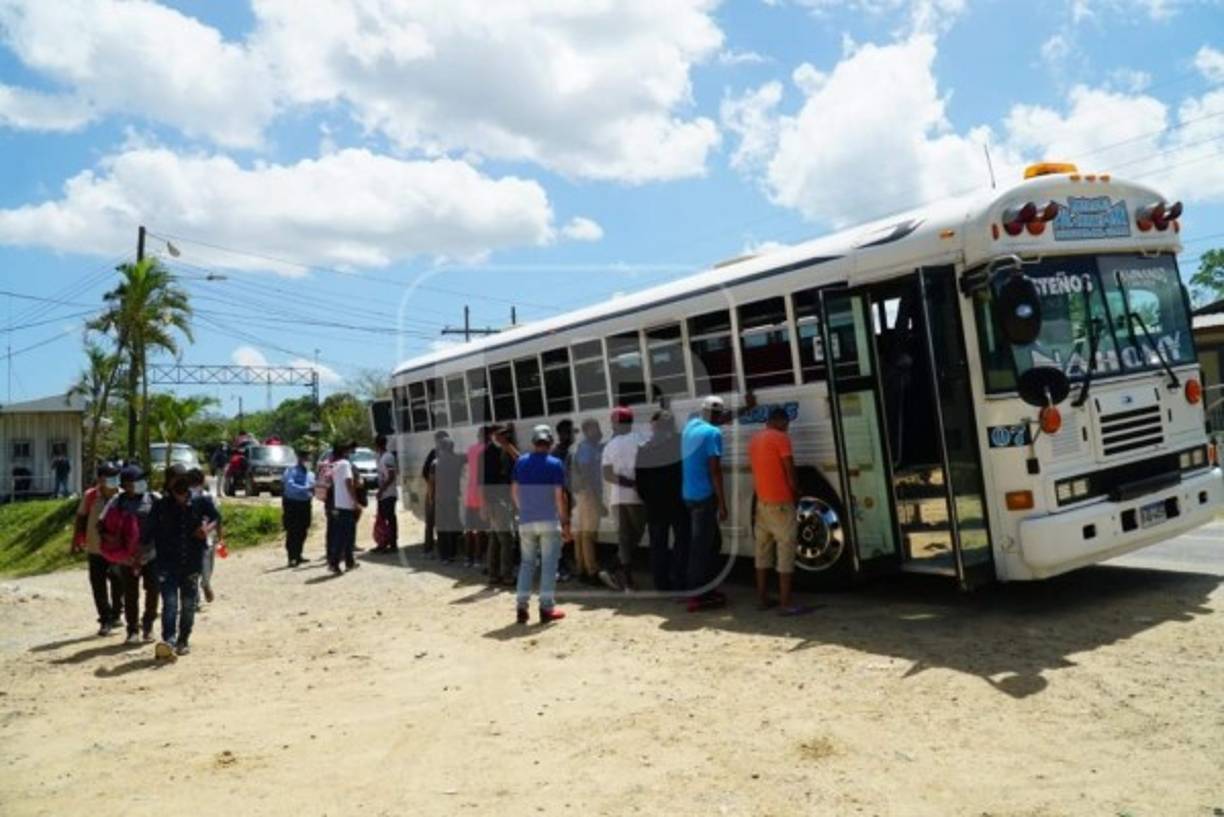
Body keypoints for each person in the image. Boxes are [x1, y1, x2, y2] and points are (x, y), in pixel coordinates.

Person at [147, 464, 219, 660]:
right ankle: (168, 641)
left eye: (183, 480)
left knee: (188, 604)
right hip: (167, 563)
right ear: (169, 484)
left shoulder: (201, 501)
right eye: (176, 480)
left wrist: (207, 529)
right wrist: (136, 556)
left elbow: (216, 518)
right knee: (169, 604)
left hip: (191, 562)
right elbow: (148, 532)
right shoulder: (161, 505)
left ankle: (183, 640)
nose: (180, 485)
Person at [748, 407, 811, 615]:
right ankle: (785, 603)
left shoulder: (755, 439)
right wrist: (796, 490)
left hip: (762, 502)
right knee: (785, 550)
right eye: (787, 423)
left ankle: (762, 598)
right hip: (781, 503)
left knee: (762, 551)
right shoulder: (781, 438)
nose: (788, 427)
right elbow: (789, 467)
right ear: (781, 421)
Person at [511, 424, 569, 624]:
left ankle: (521, 607)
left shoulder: (521, 462)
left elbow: (514, 492)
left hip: (526, 520)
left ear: (534, 442)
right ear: (550, 442)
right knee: (548, 565)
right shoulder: (555, 464)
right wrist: (564, 520)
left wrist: (522, 510)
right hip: (548, 520)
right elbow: (559, 496)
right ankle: (546, 608)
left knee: (526, 564)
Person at [97, 465, 158, 643]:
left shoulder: (154, 498)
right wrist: (113, 540)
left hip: (151, 554)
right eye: (136, 482)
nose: (140, 484)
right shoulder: (117, 501)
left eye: (141, 481)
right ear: (126, 485)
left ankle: (148, 626)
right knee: (131, 594)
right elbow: (101, 524)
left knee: (153, 590)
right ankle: (133, 630)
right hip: (127, 558)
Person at [682, 396, 729, 612]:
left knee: (713, 543)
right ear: (716, 415)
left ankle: (706, 588)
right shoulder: (714, 433)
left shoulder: (690, 427)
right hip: (704, 497)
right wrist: (722, 503)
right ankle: (696, 594)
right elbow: (715, 470)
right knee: (701, 547)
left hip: (688, 495)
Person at [635, 409, 689, 592]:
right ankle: (680, 581)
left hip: (654, 505)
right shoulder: (678, 443)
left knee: (658, 545)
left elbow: (639, 482)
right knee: (682, 542)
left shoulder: (644, 448)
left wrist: (647, 499)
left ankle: (661, 583)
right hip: (677, 502)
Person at [72, 463, 122, 635]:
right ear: (100, 479)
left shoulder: (122, 496)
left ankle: (116, 613)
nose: (114, 480)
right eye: (110, 477)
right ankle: (105, 619)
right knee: (98, 585)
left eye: (116, 476)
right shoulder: (91, 496)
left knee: (119, 582)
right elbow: (80, 518)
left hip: (117, 549)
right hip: (95, 548)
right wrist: (76, 541)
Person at [600, 407, 644, 591]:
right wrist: (633, 484)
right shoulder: (641, 440)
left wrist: (625, 483)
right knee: (636, 536)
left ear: (616, 424)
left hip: (617, 498)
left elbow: (607, 475)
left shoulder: (610, 445)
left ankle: (620, 576)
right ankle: (620, 575)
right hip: (637, 498)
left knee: (625, 539)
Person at [481, 424, 518, 586]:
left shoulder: (501, 449)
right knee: (505, 539)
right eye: (500, 434)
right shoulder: (490, 453)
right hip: (496, 500)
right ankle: (507, 575)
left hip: (500, 499)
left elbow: (519, 459)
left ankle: (493, 574)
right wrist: (486, 504)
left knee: (495, 540)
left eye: (505, 434)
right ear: (492, 435)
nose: (504, 437)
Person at [572, 419, 604, 585]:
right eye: (594, 428)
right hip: (588, 494)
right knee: (588, 535)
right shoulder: (586, 448)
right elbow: (586, 476)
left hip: (584, 495)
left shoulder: (592, 447)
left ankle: (582, 569)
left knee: (581, 535)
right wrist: (598, 501)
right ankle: (592, 571)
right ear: (586, 431)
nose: (598, 431)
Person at [186, 467, 223, 609]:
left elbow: (217, 517)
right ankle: (197, 595)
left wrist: (219, 536)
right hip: (197, 538)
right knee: (199, 566)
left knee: (202, 567)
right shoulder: (187, 497)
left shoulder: (208, 497)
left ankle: (205, 584)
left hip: (206, 537)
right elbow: (218, 518)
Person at [326, 441, 361, 574]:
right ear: (345, 452)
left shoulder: (334, 464)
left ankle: (349, 562)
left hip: (339, 503)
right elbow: (348, 482)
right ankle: (334, 563)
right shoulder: (345, 464)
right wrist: (355, 501)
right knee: (344, 535)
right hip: (346, 504)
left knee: (347, 534)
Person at [550, 419, 576, 583]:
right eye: (571, 432)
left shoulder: (565, 451)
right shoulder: (558, 454)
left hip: (567, 496)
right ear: (563, 434)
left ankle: (565, 565)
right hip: (561, 497)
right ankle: (560, 567)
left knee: (567, 534)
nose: (573, 435)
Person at [433, 433, 464, 563]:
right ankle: (452, 553)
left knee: (442, 527)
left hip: (440, 498)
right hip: (453, 497)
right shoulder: (457, 459)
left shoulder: (436, 463)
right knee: (453, 524)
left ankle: (444, 555)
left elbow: (432, 481)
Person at [281, 448, 315, 567]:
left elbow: (313, 488)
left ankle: (299, 554)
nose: (308, 461)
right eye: (306, 459)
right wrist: (306, 489)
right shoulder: (292, 471)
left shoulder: (310, 474)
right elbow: (290, 487)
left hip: (305, 504)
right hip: (292, 504)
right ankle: (292, 557)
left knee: (303, 530)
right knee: (292, 531)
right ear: (300, 459)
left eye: (310, 459)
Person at [463, 427, 489, 569]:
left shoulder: (471, 449)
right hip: (481, 494)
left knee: (469, 529)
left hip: (470, 492)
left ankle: (468, 558)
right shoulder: (486, 450)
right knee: (479, 530)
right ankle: (479, 558)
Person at [374, 434, 399, 553]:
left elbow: (391, 477)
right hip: (384, 494)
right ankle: (383, 542)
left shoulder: (388, 457)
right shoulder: (380, 456)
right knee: (382, 519)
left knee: (390, 518)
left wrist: (381, 490)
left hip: (389, 494)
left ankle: (393, 543)